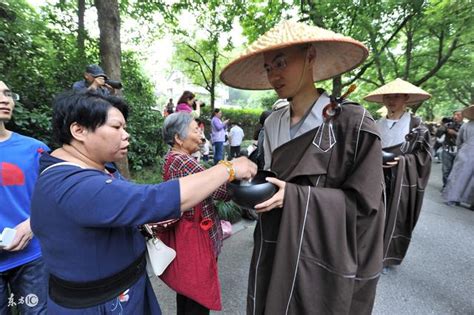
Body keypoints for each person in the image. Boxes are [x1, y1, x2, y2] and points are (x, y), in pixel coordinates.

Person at [29, 90, 256, 314]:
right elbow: (150, 200)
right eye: (117, 127)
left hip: (123, 291)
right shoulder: (72, 183)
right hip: (101, 304)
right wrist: (228, 168)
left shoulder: (94, 169)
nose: (126, 135)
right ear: (79, 130)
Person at [220, 20, 385, 314]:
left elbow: (367, 204)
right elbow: (270, 177)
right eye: (268, 67)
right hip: (277, 239)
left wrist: (297, 198)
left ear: (310, 56)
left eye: (281, 63)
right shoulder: (272, 123)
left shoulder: (353, 123)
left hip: (324, 252)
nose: (274, 75)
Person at [161, 112, 231, 314]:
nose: (201, 136)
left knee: (187, 291)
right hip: (197, 238)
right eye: (195, 130)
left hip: (184, 237)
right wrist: (231, 173)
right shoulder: (185, 162)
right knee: (198, 296)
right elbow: (221, 191)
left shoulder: (170, 159)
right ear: (178, 138)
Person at [364, 78, 432, 272]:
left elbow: (423, 158)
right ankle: (367, 253)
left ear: (406, 98)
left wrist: (403, 162)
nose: (391, 100)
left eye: (396, 96)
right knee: (371, 215)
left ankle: (385, 257)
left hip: (401, 180)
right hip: (375, 176)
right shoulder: (376, 123)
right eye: (388, 96)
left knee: (393, 217)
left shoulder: (417, 127)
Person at [0, 81, 48, 314]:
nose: (5, 99)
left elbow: (52, 196)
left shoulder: (35, 149)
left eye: (8, 93)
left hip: (31, 256)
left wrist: (32, 223)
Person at [443, 105, 474, 208]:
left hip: (464, 152)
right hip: (467, 152)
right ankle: (467, 200)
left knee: (458, 175)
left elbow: (458, 140)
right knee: (470, 179)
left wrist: (462, 148)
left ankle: (451, 198)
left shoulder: (466, 125)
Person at [435, 109, 463, 188]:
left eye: (458, 115)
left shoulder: (465, 126)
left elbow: (466, 138)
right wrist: (443, 126)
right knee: (446, 170)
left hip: (459, 152)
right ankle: (446, 187)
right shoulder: (448, 125)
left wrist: (455, 133)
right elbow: (438, 135)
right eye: (454, 115)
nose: (455, 117)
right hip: (447, 150)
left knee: (457, 171)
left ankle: (454, 188)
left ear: (463, 116)